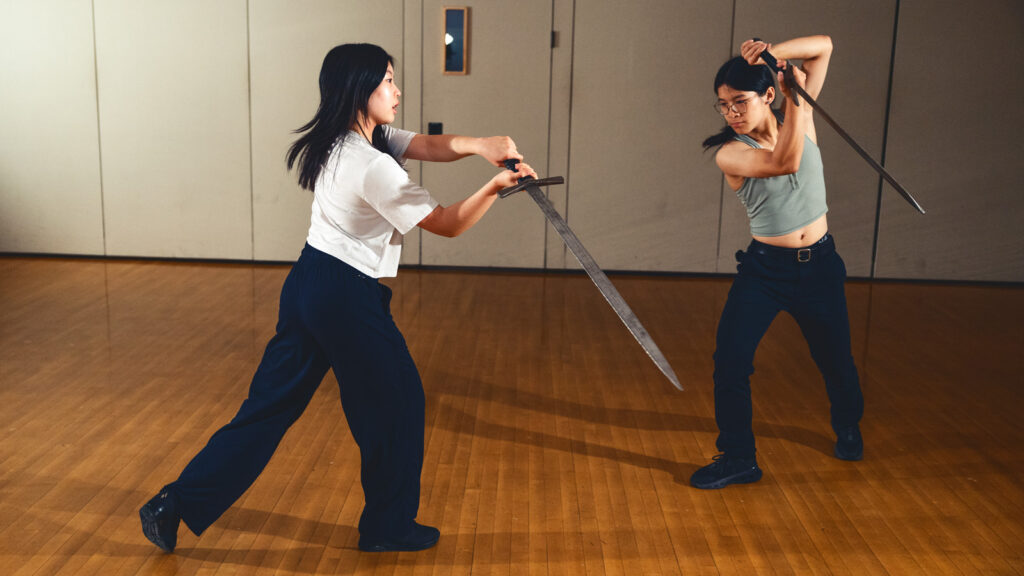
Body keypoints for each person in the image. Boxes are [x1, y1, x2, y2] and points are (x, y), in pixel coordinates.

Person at [139, 43, 536, 553]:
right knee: (398, 402)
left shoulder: (345, 138)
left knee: (266, 411)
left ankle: (173, 504)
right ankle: (387, 527)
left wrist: (481, 144)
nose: (397, 91)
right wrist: (496, 187)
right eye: (387, 81)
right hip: (345, 296)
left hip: (308, 282)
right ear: (360, 90)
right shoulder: (373, 165)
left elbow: (428, 145)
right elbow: (447, 225)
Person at [690, 36, 864, 490]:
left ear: (766, 94)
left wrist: (772, 53)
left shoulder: (799, 114)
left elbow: (825, 46)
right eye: (723, 104)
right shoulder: (730, 152)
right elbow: (785, 162)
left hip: (821, 266)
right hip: (765, 272)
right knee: (730, 360)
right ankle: (739, 457)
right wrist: (794, 94)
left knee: (836, 360)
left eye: (739, 101)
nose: (731, 112)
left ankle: (848, 426)